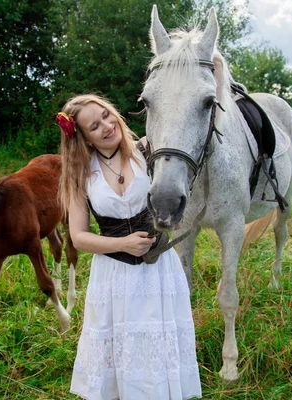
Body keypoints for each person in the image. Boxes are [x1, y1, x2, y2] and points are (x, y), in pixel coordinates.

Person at [57, 94, 202, 400]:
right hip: (113, 277)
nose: (107, 126)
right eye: (94, 126)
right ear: (83, 138)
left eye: (107, 115)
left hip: (157, 271)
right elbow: (79, 237)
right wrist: (122, 243)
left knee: (156, 352)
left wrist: (172, 218)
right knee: (119, 355)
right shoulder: (80, 173)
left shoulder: (149, 150)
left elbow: (180, 186)